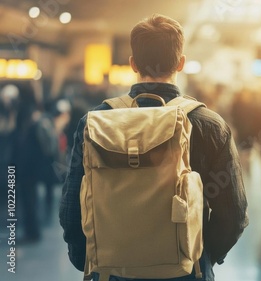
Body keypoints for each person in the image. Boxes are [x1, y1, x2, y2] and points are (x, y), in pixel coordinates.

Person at [59, 14, 249, 281]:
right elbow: (234, 213)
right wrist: (198, 256)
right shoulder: (209, 125)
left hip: (113, 270)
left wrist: (89, 259)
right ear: (181, 63)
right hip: (186, 271)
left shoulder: (95, 122)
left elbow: (70, 206)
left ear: (133, 64)